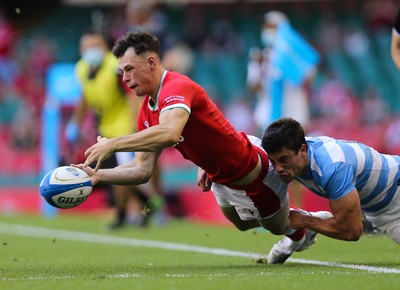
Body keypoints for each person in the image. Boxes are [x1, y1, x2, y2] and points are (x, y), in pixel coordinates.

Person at [72, 31, 331, 264]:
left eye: (129, 69)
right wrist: (97, 176)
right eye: (122, 72)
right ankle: (295, 224)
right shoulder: (146, 112)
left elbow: (170, 133)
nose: (125, 78)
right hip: (219, 175)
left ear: (151, 63)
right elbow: (141, 170)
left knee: (276, 226)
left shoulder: (176, 86)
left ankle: (305, 224)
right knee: (241, 224)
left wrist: (114, 143)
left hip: (252, 170)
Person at [65, 30, 160, 229]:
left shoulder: (116, 68)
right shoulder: (81, 69)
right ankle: (149, 206)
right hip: (105, 130)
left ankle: (122, 214)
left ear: (104, 47)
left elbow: (133, 94)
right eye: (87, 47)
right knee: (119, 175)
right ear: (81, 50)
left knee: (123, 172)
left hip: (124, 128)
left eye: (96, 46)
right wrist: (75, 123)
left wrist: (136, 125)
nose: (92, 51)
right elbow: (84, 98)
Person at [261, 117, 400, 248]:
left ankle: (316, 219)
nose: (278, 168)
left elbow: (352, 231)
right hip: (382, 214)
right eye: (273, 161)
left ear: (303, 150)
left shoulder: (332, 167)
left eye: (284, 160)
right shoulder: (293, 157)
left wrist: (307, 221)